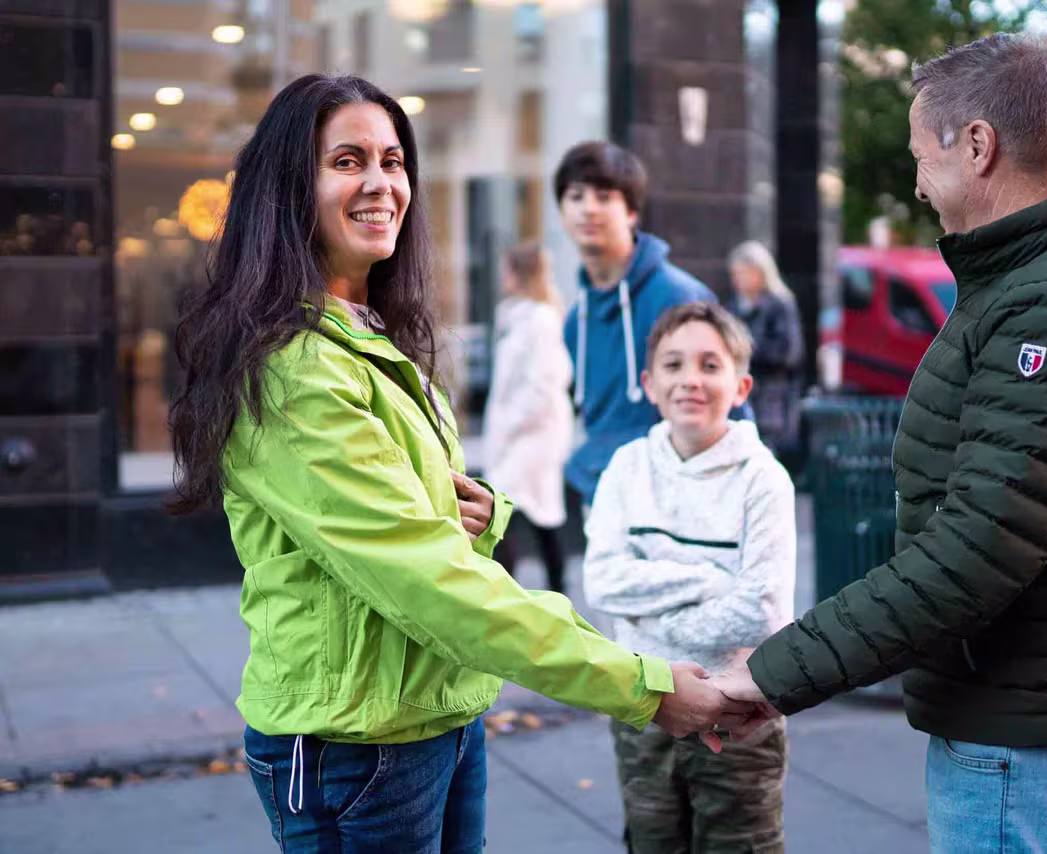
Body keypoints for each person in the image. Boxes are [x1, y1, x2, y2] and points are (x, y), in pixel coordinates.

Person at [166, 74, 752, 853]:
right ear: (288, 188)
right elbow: (425, 576)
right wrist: (639, 686)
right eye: (347, 161)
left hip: (435, 715)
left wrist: (483, 512)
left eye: (393, 160)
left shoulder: (370, 332)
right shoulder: (297, 366)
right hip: (357, 745)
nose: (381, 183)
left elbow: (427, 514)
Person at [715, 33, 1047, 853]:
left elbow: (976, 552)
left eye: (918, 154)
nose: (915, 181)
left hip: (1036, 748)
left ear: (977, 146)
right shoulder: (1035, 282)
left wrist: (771, 672)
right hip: (1028, 729)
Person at [583, 302, 795, 854]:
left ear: (741, 385)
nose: (690, 381)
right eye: (674, 365)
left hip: (736, 715)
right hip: (644, 704)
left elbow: (764, 612)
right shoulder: (627, 468)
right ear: (650, 384)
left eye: (709, 365)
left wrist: (651, 611)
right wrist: (709, 579)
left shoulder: (763, 480)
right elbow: (602, 581)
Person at [556, 140, 717, 509]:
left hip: (677, 506)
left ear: (630, 212)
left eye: (604, 196)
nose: (589, 209)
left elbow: (726, 416)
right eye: (576, 196)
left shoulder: (681, 299)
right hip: (601, 504)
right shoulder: (574, 323)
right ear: (562, 212)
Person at [483, 239, 572, 593]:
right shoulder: (518, 316)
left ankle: (515, 594)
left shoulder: (540, 321)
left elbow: (542, 388)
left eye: (507, 268)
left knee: (510, 511)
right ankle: (549, 590)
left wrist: (509, 426)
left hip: (533, 436)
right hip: (522, 434)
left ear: (518, 272)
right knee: (535, 513)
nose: (502, 275)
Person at [727, 240, 804, 457]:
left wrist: (746, 348)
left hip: (772, 399)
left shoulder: (780, 304)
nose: (736, 280)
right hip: (742, 396)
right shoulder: (734, 306)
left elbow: (789, 352)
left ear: (759, 273)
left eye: (741, 273)